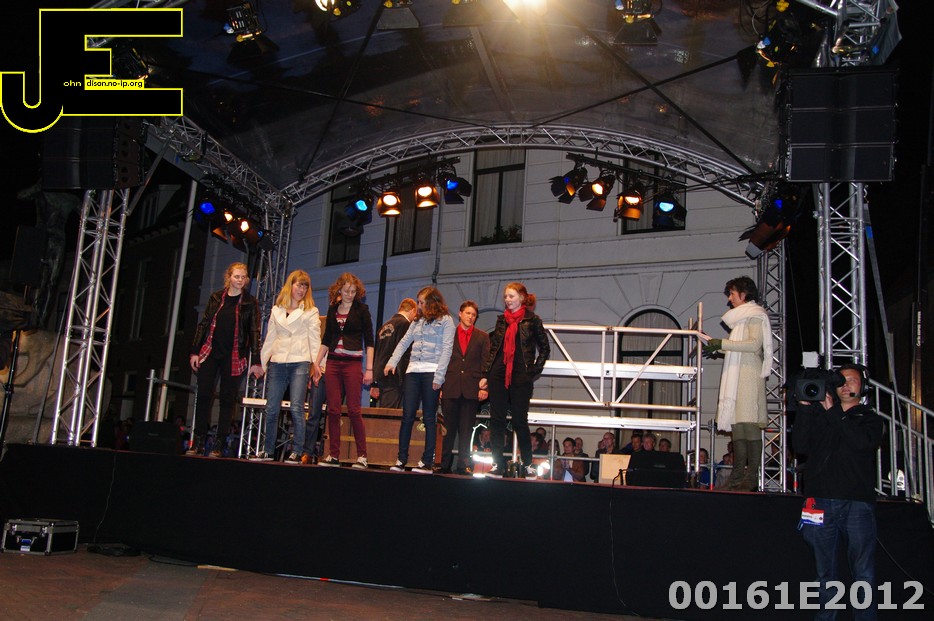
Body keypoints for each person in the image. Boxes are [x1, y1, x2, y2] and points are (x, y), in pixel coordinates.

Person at [793, 364, 884, 621]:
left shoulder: (869, 418)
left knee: (863, 571)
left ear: (863, 387)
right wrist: (805, 409)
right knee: (824, 571)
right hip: (819, 500)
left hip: (857, 503)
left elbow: (861, 443)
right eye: (841, 380)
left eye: (852, 380)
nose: (846, 385)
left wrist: (832, 411)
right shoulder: (821, 417)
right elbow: (800, 445)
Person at [702, 276, 773, 491]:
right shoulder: (741, 319)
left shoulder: (755, 315)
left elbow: (753, 345)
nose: (729, 299)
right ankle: (737, 475)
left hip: (749, 375)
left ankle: (751, 477)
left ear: (743, 294)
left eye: (732, 294)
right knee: (738, 427)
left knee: (748, 424)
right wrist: (717, 346)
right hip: (738, 374)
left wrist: (722, 343)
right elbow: (737, 348)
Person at [188, 262, 263, 457]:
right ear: (228, 277)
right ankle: (198, 441)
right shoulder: (216, 298)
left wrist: (256, 360)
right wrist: (195, 351)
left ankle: (218, 444)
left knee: (227, 400)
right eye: (236, 276)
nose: (240, 280)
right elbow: (203, 324)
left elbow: (254, 331)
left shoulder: (250, 302)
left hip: (234, 355)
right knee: (203, 396)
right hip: (210, 352)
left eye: (243, 277)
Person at [479, 282, 550, 479]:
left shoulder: (532, 320)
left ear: (521, 298)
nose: (507, 300)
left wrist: (533, 371)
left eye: (511, 296)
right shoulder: (501, 320)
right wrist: (486, 374)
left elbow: (545, 348)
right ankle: (497, 465)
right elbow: (494, 349)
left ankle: (527, 464)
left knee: (519, 420)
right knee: (497, 420)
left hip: (521, 375)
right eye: (505, 297)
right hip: (499, 374)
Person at [385, 287, 456, 474]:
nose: (419, 306)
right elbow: (404, 342)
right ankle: (401, 459)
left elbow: (447, 349)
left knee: (429, 416)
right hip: (413, 371)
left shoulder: (446, 321)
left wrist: (439, 376)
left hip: (431, 371)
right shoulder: (417, 321)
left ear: (432, 302)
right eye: (418, 302)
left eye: (422, 302)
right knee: (407, 415)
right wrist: (392, 362)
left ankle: (426, 461)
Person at [258, 270, 321, 463]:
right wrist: (262, 363)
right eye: (298, 285)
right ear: (290, 285)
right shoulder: (276, 310)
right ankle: (268, 450)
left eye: (305, 287)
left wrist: (318, 364)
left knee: (296, 407)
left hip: (300, 361)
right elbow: (269, 338)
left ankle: (297, 451)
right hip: (278, 361)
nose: (301, 290)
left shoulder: (311, 311)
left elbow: (315, 339)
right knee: (271, 407)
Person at [314, 273, 374, 469]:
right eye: (346, 291)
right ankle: (334, 455)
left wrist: (369, 369)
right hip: (333, 362)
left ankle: (362, 456)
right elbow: (326, 338)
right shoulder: (332, 309)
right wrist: (317, 363)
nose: (350, 294)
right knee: (333, 409)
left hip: (352, 363)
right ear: (339, 289)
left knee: (354, 410)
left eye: (353, 291)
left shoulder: (362, 310)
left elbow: (370, 341)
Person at [439, 300, 490, 475]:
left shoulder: (482, 337)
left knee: (467, 430)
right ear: (460, 314)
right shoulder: (448, 334)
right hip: (450, 386)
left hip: (471, 388)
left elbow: (486, 363)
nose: (470, 317)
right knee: (447, 429)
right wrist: (439, 386)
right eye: (468, 313)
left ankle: (463, 465)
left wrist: (484, 388)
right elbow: (442, 361)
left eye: (474, 315)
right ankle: (444, 463)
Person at [370, 298, 417, 408]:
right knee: (392, 414)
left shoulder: (384, 326)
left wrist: (375, 381)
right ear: (412, 311)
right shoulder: (405, 325)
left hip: (381, 375)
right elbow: (404, 353)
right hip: (395, 376)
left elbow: (377, 354)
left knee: (386, 410)